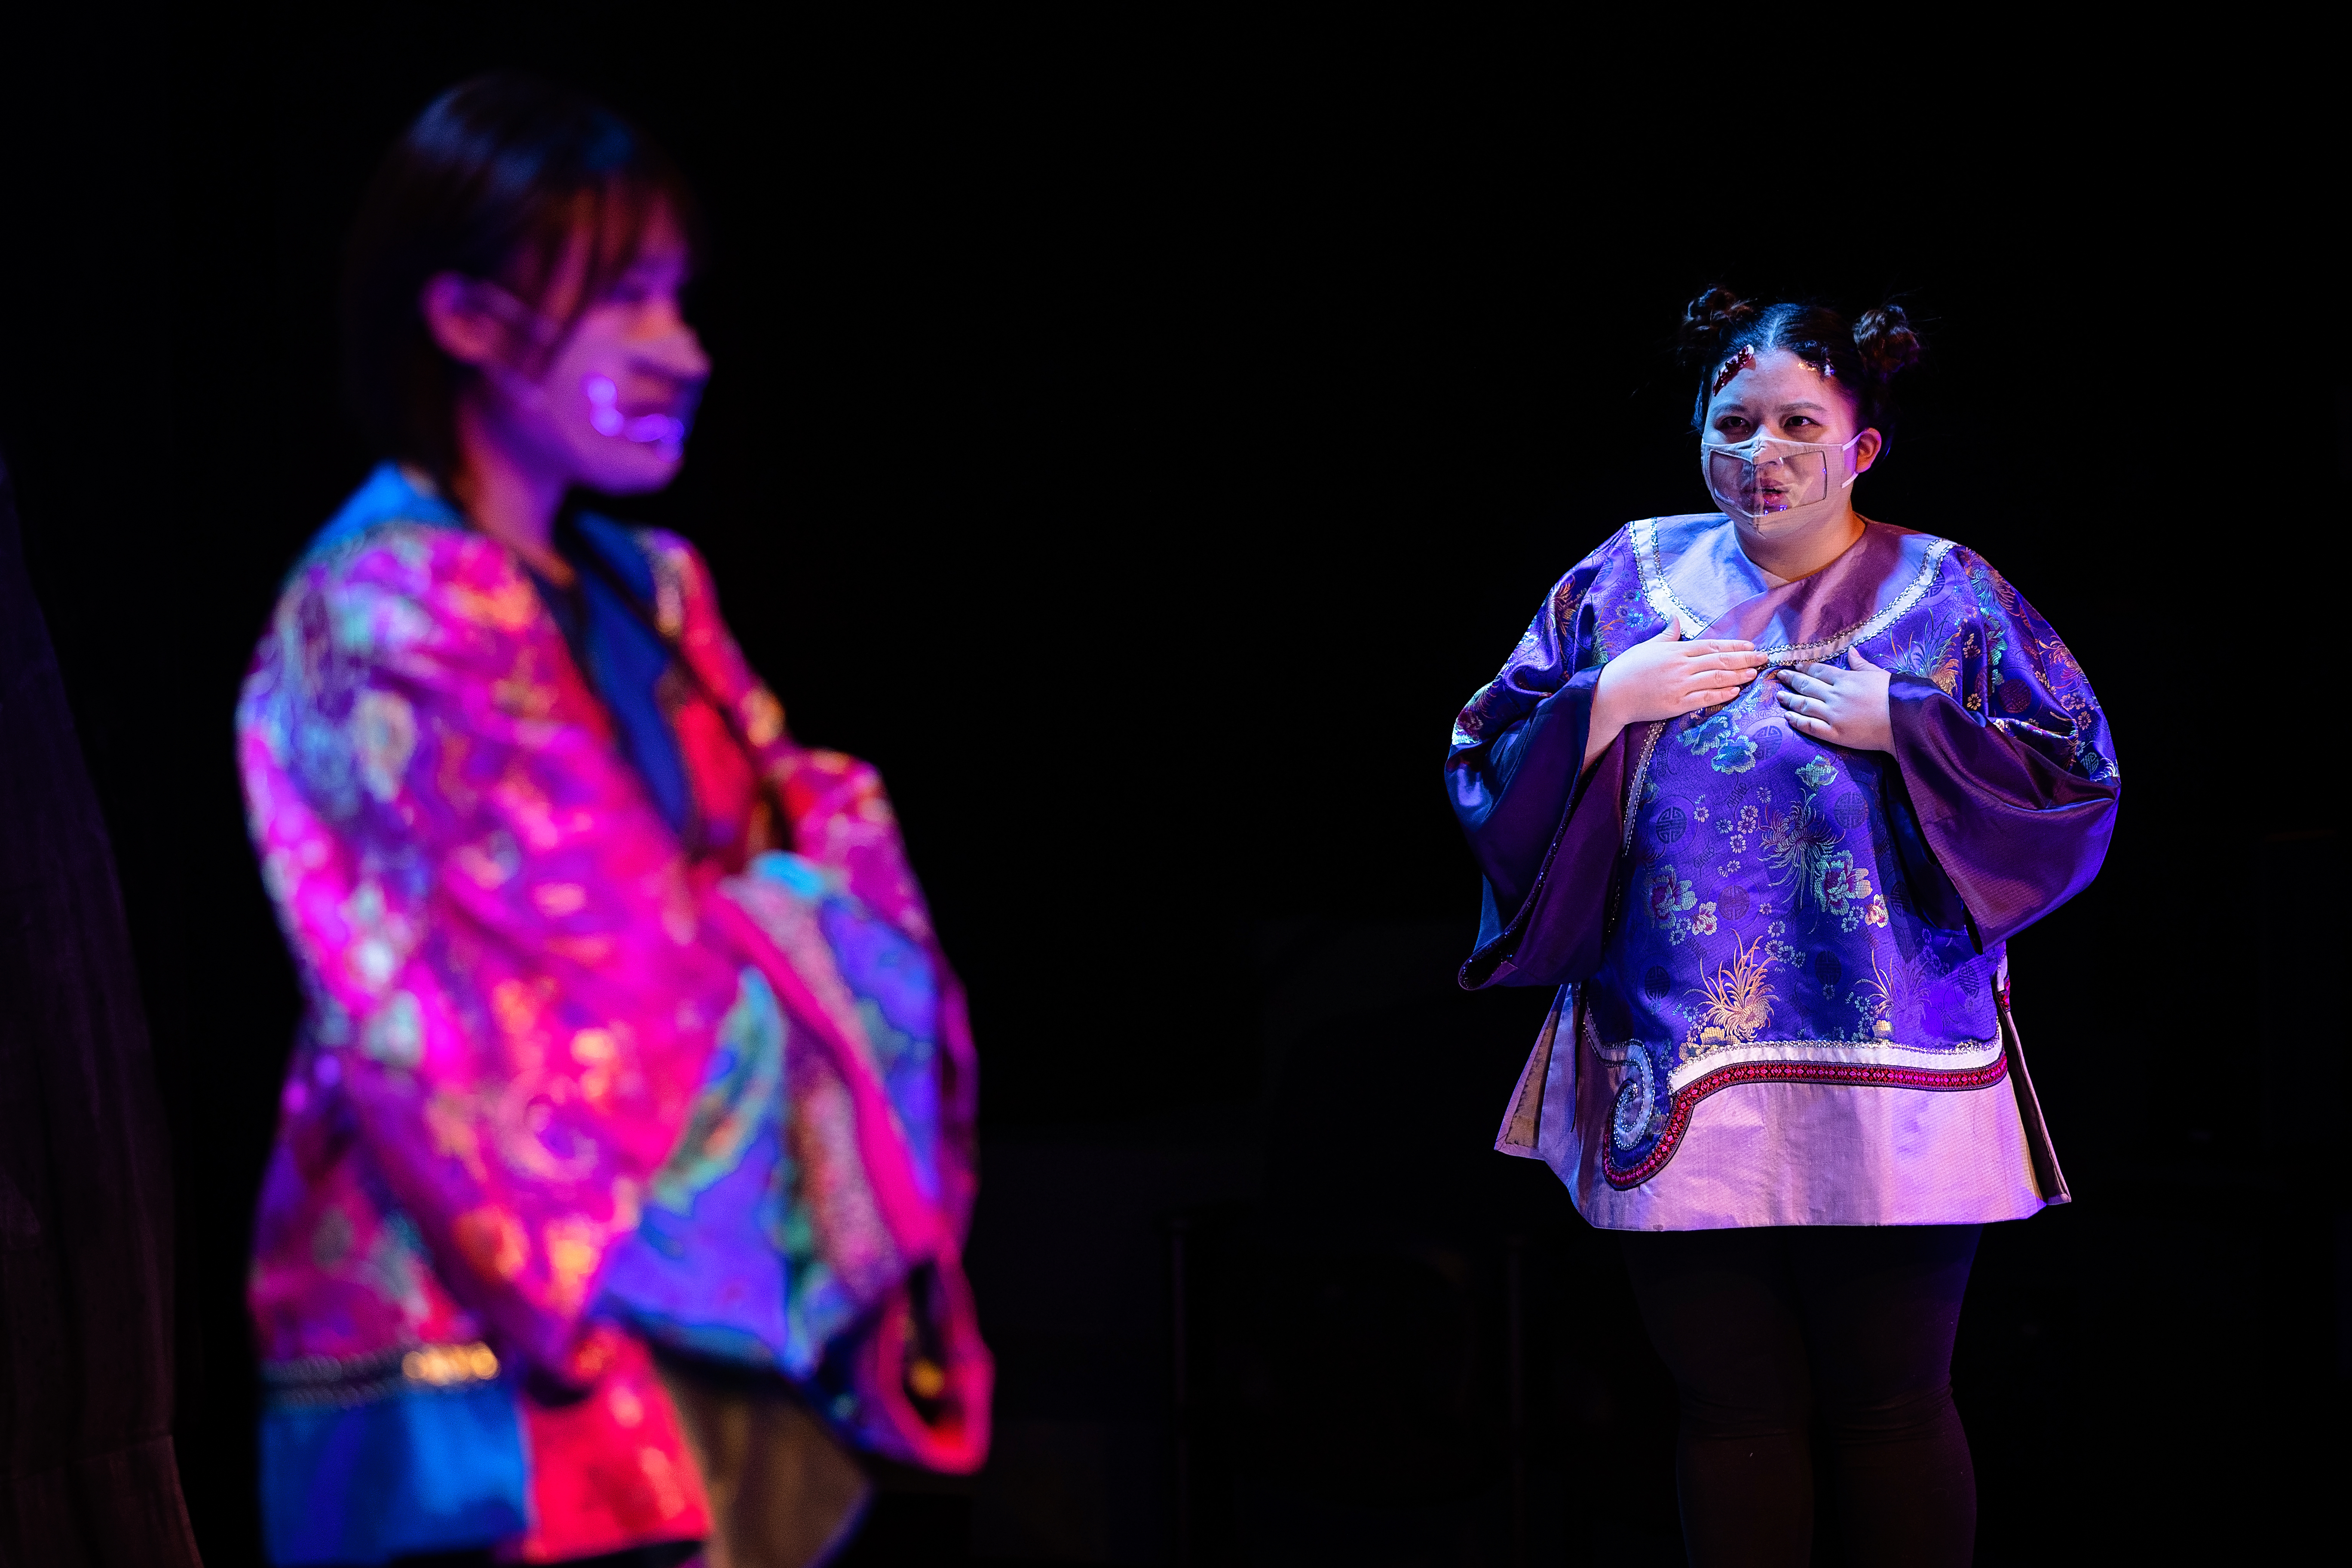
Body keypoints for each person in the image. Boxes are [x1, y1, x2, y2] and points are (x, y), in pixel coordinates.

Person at [238, 75, 987, 1568]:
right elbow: (581, 969)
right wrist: (763, 924)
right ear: (464, 318)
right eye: (625, 301)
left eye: (679, 301)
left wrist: (776, 916)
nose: (681, 352)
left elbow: (833, 874)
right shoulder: (386, 609)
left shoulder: (661, 598)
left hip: (718, 1328)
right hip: (475, 1342)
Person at [1447, 291, 2116, 1567]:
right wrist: (1599, 701)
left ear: (1863, 445)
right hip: (1681, 1049)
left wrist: (1911, 724)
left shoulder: (1948, 593)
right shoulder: (1625, 577)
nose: (1764, 455)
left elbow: (2077, 778)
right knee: (1729, 1408)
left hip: (1895, 1053)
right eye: (1734, 423)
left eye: (1800, 424)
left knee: (1894, 1407)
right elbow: (1486, 751)